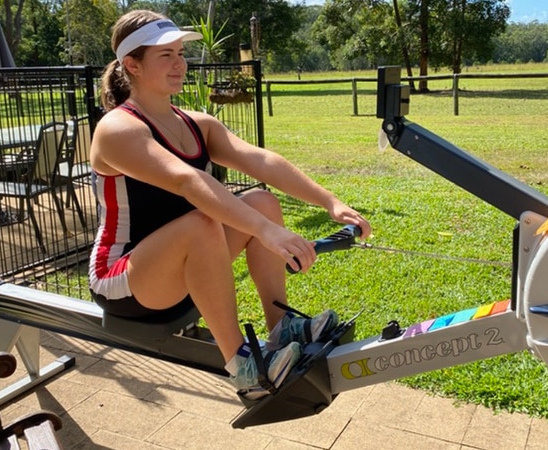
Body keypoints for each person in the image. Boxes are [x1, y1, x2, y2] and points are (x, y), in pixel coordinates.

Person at [88, 10, 372, 400]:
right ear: (132, 65)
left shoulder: (196, 123)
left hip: (181, 265)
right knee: (201, 224)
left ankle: (282, 326)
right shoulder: (118, 129)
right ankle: (244, 368)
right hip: (123, 280)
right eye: (165, 56)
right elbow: (187, 180)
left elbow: (260, 161)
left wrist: (329, 201)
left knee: (262, 201)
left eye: (179, 53)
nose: (179, 64)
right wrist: (265, 232)